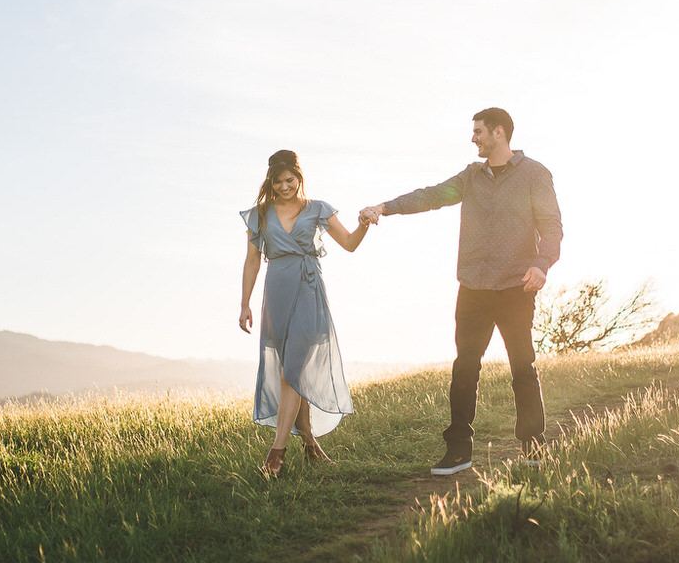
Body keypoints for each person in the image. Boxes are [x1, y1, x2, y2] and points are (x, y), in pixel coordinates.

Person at [360, 107, 562, 475]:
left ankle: (533, 447)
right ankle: (458, 452)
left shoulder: (534, 174)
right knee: (464, 368)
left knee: (523, 367)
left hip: (517, 287)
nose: (474, 139)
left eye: (479, 132)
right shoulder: (471, 177)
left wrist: (542, 264)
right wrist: (385, 207)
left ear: (499, 133)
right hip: (473, 288)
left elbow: (551, 226)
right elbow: (432, 195)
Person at [240, 149, 371, 477]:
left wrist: (364, 224)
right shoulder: (260, 214)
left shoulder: (318, 210)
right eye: (278, 181)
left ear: (299, 178)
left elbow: (351, 244)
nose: (285, 187)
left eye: (290, 180)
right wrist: (244, 304)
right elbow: (253, 260)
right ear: (270, 182)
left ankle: (276, 454)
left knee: (291, 373)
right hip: (277, 294)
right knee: (292, 373)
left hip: (309, 291)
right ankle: (311, 445)